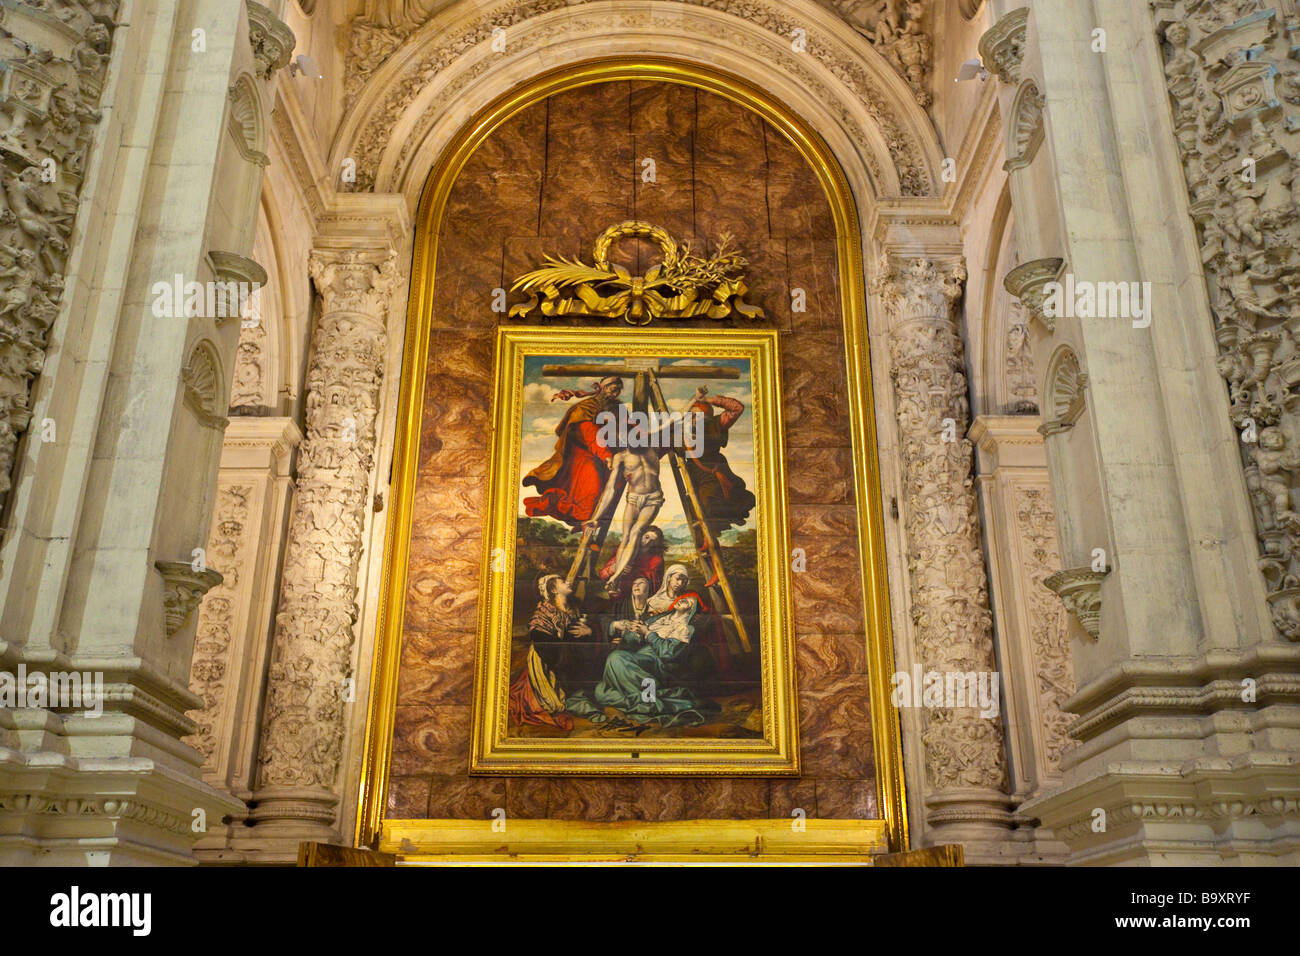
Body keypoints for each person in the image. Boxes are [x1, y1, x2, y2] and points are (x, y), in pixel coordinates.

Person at [591, 595, 718, 727]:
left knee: (617, 658)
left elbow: (667, 653)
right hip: (641, 655)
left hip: (658, 663)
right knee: (611, 669)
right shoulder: (659, 618)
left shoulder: (684, 628)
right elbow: (631, 640)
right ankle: (644, 698)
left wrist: (648, 633)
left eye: (687, 602)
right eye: (681, 598)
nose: (681, 600)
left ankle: (648, 701)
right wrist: (635, 633)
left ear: (691, 609)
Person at [523, 376, 623, 529]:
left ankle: (585, 530)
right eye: (612, 389)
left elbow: (629, 428)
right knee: (591, 493)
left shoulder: (617, 409)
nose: (614, 394)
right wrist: (606, 455)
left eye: (618, 391)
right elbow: (590, 434)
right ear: (603, 388)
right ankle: (580, 525)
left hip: (606, 457)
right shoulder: (585, 407)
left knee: (608, 495)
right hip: (583, 457)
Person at [681, 386, 756, 581]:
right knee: (696, 518)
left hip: (712, 474)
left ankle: (717, 570)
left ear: (707, 415)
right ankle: (712, 565)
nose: (695, 418)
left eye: (699, 415)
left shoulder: (717, 424)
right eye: (692, 415)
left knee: (709, 510)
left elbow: (737, 408)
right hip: (693, 476)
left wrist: (711, 399)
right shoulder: (684, 431)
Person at [508, 574, 595, 729]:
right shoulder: (543, 615)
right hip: (548, 663)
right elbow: (544, 645)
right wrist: (561, 638)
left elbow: (579, 641)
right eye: (562, 581)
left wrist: (588, 633)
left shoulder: (573, 609)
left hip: (569, 660)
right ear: (554, 589)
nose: (568, 582)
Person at [598, 526, 666, 599]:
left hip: (636, 597)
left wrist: (633, 573)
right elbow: (602, 574)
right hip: (613, 592)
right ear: (640, 536)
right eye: (646, 537)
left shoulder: (656, 561)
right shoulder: (624, 551)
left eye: (653, 541)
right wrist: (615, 567)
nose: (648, 542)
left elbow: (655, 587)